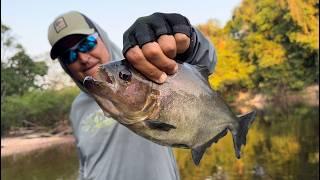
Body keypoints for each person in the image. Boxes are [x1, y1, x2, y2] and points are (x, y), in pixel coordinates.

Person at [47, 11, 217, 180]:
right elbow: (85, 165)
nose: (82, 57)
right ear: (65, 66)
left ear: (101, 37)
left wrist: (189, 40)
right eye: (69, 55)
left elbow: (202, 66)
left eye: (86, 44)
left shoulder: (147, 72)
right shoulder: (77, 107)